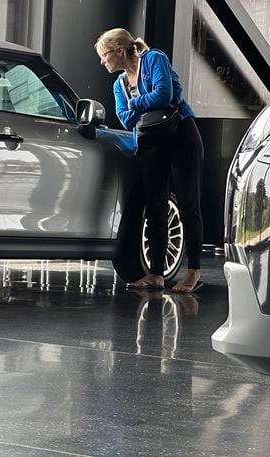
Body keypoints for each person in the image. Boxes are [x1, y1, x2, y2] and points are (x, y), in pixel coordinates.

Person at [95, 28, 204, 293]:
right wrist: (143, 104)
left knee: (188, 202)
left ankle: (193, 272)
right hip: (149, 140)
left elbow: (164, 95)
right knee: (155, 206)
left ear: (119, 50)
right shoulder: (118, 84)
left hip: (180, 134)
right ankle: (156, 274)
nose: (102, 61)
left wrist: (136, 104)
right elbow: (125, 118)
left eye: (104, 55)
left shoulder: (154, 59)